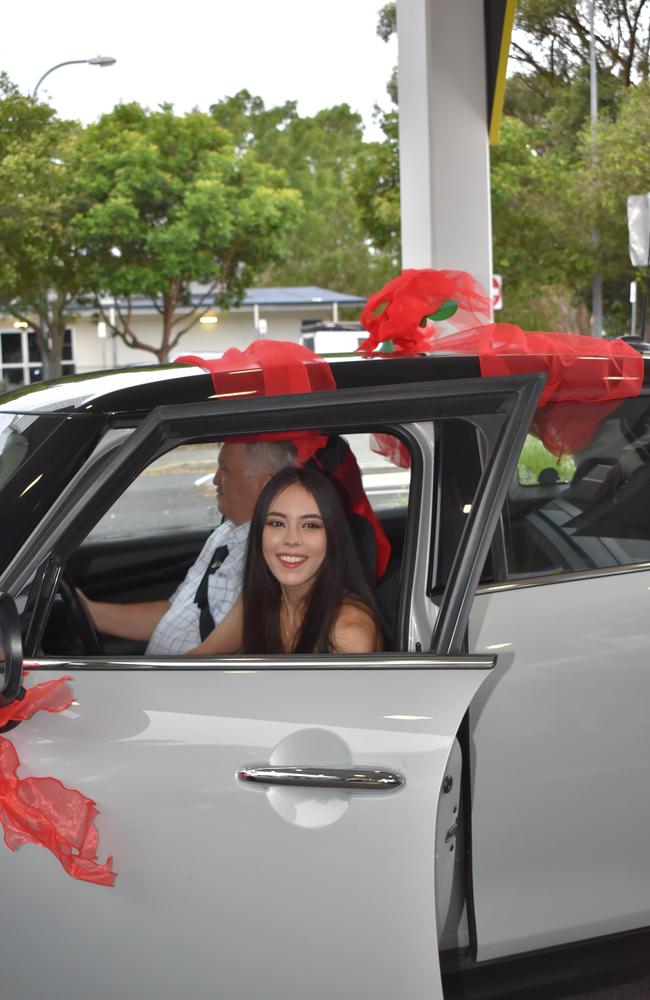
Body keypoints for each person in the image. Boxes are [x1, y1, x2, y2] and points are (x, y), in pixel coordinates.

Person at [82, 440, 296, 655]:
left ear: (264, 484)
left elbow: (226, 649)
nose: (215, 479)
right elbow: (176, 611)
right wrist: (92, 613)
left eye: (225, 470)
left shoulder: (270, 554)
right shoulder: (225, 534)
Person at [187, 467, 383, 656]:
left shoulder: (348, 632)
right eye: (277, 523)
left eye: (310, 525)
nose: (291, 539)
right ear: (259, 532)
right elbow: (199, 659)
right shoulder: (258, 597)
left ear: (333, 537)